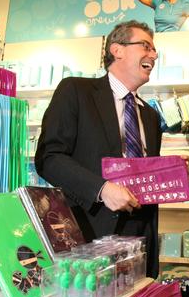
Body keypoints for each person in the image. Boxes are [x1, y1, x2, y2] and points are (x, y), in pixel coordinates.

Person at [35, 20, 162, 278]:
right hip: (89, 234)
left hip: (139, 240)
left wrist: (167, 174)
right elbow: (49, 157)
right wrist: (102, 189)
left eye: (154, 49)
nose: (154, 54)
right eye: (146, 46)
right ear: (117, 50)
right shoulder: (76, 91)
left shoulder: (149, 115)